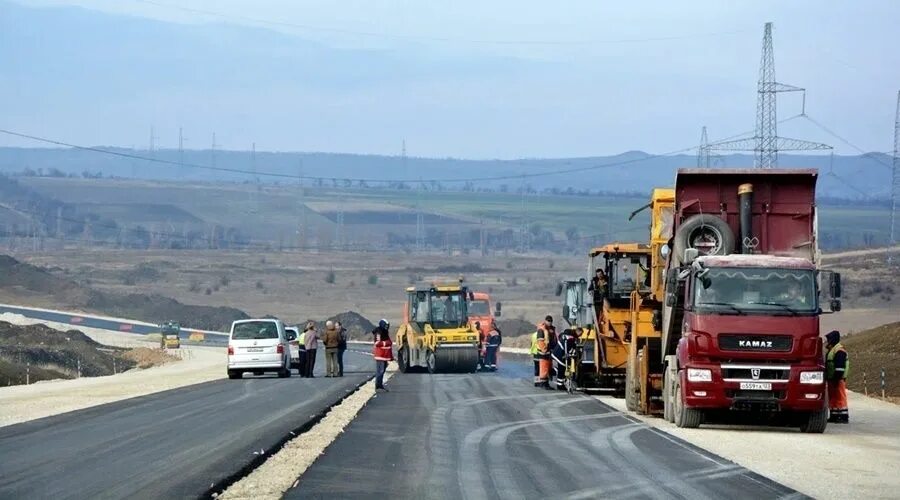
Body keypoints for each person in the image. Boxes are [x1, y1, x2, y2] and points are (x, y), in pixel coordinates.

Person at [825, 330, 850, 423]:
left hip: (838, 379)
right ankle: (834, 415)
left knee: (840, 397)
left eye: (828, 340)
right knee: (833, 398)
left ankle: (843, 416)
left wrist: (836, 378)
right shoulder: (833, 350)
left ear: (833, 340)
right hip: (833, 379)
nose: (827, 342)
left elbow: (840, 367)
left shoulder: (839, 351)